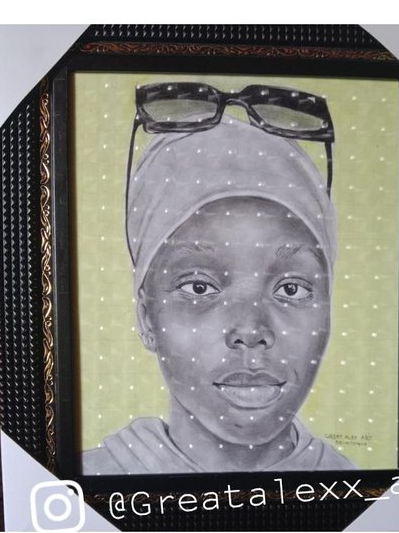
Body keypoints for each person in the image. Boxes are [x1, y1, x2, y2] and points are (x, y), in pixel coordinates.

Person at [82, 92, 356, 474]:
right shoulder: (89, 481)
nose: (251, 331)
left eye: (291, 289)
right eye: (199, 287)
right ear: (146, 316)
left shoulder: (361, 486)